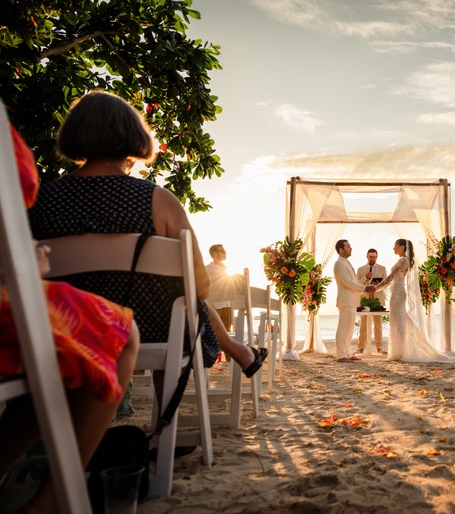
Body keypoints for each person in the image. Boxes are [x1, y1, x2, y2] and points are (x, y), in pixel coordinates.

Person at [27, 91, 267, 380]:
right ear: (132, 138)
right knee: (182, 306)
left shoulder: (39, 200)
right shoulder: (157, 201)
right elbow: (199, 288)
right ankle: (170, 417)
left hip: (64, 330)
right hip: (147, 332)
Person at [0, 124, 140, 512]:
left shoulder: (48, 198)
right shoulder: (155, 200)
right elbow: (196, 283)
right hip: (58, 321)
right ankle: (50, 501)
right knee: (120, 332)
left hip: (43, 322)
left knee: (48, 362)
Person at [374, 239, 455, 362]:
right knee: (399, 321)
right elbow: (392, 279)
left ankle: (400, 352)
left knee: (398, 323)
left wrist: (376, 288)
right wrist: (378, 288)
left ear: (402, 247)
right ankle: (399, 351)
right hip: (397, 292)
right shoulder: (404, 260)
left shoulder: (402, 260)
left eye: (395, 246)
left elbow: (391, 277)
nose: (393, 248)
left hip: (397, 294)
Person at [332, 239, 375, 363]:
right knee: (343, 328)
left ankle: (347, 353)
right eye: (348, 247)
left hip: (351, 300)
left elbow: (354, 282)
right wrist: (365, 288)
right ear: (341, 250)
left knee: (349, 329)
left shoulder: (346, 263)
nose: (351, 248)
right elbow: (347, 282)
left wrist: (364, 281)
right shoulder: (339, 264)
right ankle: (341, 355)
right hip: (345, 300)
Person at [355, 248, 387, 354]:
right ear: (367, 257)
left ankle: (380, 347)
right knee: (363, 324)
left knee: (378, 324)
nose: (372, 258)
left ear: (377, 257)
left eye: (374, 257)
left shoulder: (382, 268)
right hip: (365, 299)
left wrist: (378, 286)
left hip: (378, 299)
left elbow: (386, 284)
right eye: (370, 256)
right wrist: (365, 277)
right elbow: (356, 285)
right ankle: (360, 347)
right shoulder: (360, 269)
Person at [206, 243, 236, 332]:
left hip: (227, 305)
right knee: (214, 333)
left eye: (225, 251)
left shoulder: (227, 270)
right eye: (222, 251)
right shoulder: (207, 269)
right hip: (215, 306)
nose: (225, 253)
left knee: (228, 333)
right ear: (215, 254)